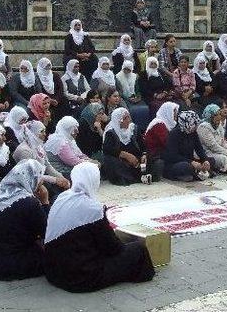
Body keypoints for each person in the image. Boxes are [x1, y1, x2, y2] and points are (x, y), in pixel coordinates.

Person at [44, 162, 154, 292]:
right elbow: (113, 248)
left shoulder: (61, 198)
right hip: (81, 277)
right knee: (138, 250)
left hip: (55, 272)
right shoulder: (92, 209)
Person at [0, 159, 50, 281]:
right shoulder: (29, 202)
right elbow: (47, 232)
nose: (41, 182)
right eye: (39, 178)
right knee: (55, 256)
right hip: (3, 266)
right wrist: (45, 202)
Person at [13, 121, 71, 200]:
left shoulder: (38, 145)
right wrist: (55, 180)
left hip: (42, 178)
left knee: (67, 182)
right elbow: (31, 176)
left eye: (44, 130)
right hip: (30, 183)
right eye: (41, 131)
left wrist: (61, 178)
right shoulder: (25, 151)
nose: (45, 134)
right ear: (32, 133)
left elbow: (47, 165)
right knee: (57, 195)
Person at [103, 108, 161, 185]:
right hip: (122, 161)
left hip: (136, 160)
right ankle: (138, 177)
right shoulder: (111, 132)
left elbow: (143, 145)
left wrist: (144, 155)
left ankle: (141, 175)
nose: (129, 120)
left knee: (157, 161)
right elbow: (107, 150)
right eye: (125, 118)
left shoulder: (133, 129)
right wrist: (125, 155)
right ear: (118, 121)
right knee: (111, 161)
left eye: (129, 117)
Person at [163, 110, 214, 181]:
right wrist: (191, 162)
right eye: (193, 124)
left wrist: (205, 160)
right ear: (186, 123)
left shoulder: (193, 133)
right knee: (186, 166)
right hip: (175, 163)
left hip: (189, 160)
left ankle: (196, 172)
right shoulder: (174, 134)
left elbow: (199, 149)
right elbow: (172, 156)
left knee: (211, 160)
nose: (195, 127)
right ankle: (193, 173)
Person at [197, 104, 227, 174]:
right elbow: (213, 146)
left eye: (219, 114)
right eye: (216, 115)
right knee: (224, 159)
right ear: (210, 116)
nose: (219, 117)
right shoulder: (203, 127)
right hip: (208, 152)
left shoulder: (218, 124)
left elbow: (222, 142)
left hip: (220, 150)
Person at [115, 60, 149, 132]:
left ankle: (143, 129)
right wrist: (128, 98)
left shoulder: (135, 76)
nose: (127, 71)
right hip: (123, 98)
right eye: (125, 69)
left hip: (135, 97)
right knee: (131, 110)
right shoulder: (118, 77)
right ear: (123, 68)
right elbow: (119, 92)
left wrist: (138, 97)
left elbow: (137, 89)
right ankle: (132, 128)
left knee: (145, 108)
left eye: (129, 69)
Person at [35, 58, 68, 122]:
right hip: (44, 99)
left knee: (65, 101)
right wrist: (49, 100)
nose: (48, 68)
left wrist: (56, 99)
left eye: (49, 66)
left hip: (56, 98)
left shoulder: (55, 75)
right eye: (46, 67)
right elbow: (39, 92)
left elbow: (60, 88)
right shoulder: (37, 77)